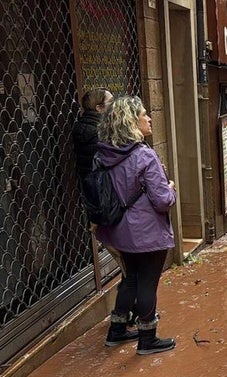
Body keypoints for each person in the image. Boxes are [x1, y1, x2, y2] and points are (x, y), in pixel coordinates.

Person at [96, 96, 177, 355]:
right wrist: (171, 190)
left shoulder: (103, 154)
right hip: (148, 232)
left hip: (120, 229)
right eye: (144, 114)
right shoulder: (144, 155)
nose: (149, 118)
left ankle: (117, 330)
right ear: (131, 121)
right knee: (147, 283)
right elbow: (163, 201)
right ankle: (147, 338)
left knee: (130, 277)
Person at [73, 88, 140, 330]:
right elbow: (101, 176)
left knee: (128, 266)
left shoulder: (86, 130)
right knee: (129, 266)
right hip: (107, 209)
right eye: (111, 102)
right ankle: (123, 321)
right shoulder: (96, 134)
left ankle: (129, 315)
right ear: (100, 108)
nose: (115, 105)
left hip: (101, 209)